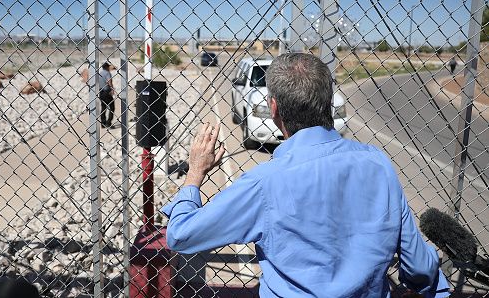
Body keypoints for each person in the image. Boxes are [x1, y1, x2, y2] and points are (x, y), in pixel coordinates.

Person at [162, 53, 450, 297]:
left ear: (274, 109)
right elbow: (420, 267)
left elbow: (182, 236)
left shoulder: (266, 182)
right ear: (328, 101)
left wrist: (195, 172)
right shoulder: (378, 164)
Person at [98, 62, 115, 128]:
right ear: (107, 67)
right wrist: (112, 89)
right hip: (107, 91)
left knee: (103, 107)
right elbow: (109, 81)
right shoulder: (108, 73)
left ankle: (103, 123)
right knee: (112, 107)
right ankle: (108, 122)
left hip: (101, 91)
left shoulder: (100, 73)